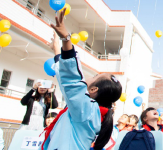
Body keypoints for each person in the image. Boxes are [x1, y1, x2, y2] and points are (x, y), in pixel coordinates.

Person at [44, 10, 122, 150]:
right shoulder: (89, 111)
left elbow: (72, 80)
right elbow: (65, 79)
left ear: (93, 89)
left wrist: (66, 39)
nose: (88, 78)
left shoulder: (87, 111)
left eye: (94, 77)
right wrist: (57, 49)